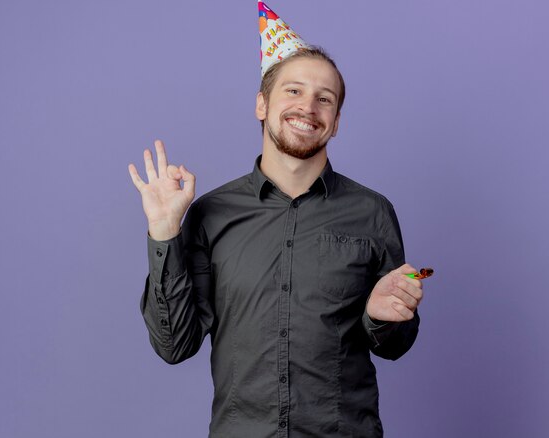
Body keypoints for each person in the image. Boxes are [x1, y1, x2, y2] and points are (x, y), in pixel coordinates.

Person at [128, 3, 423, 437]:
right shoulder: (212, 214)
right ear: (261, 105)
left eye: (325, 99)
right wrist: (164, 230)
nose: (308, 107)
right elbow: (175, 346)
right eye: (293, 91)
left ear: (336, 122)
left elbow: (395, 345)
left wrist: (384, 318)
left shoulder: (373, 212)